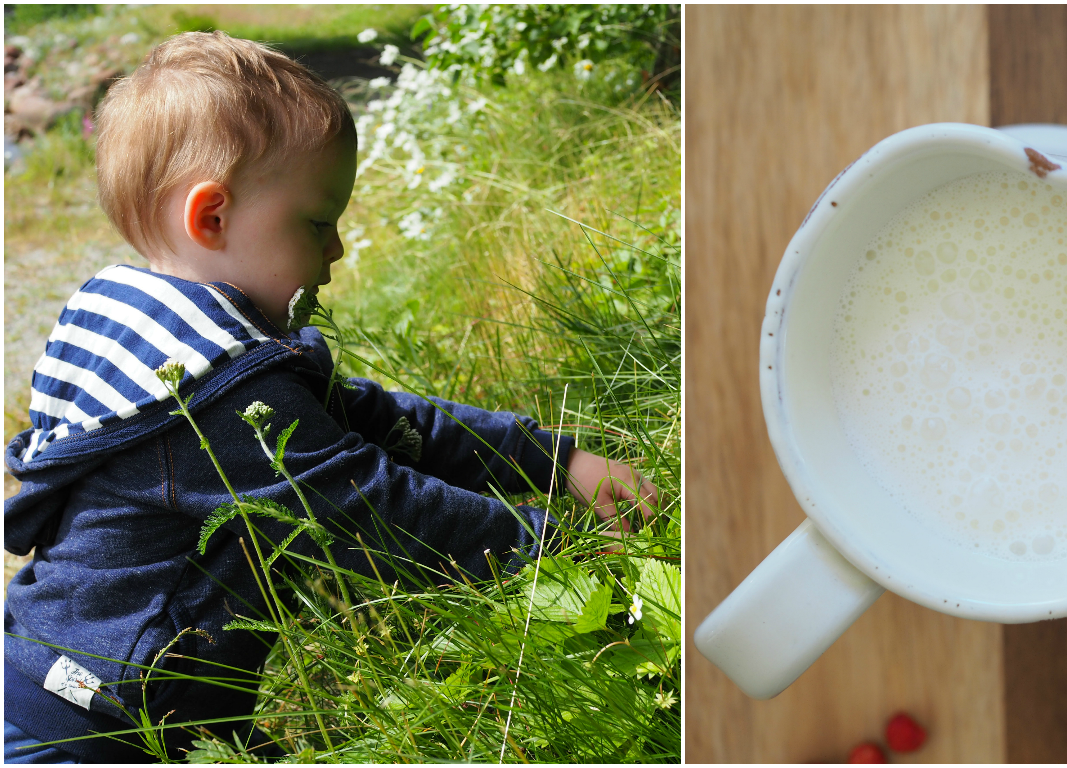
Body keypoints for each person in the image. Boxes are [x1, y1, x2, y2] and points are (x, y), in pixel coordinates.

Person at [2, 30, 660, 764]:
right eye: (319, 222)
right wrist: (556, 551)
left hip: (122, 707)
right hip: (88, 725)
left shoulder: (202, 351)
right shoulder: (208, 394)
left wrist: (554, 457)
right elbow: (372, 512)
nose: (338, 249)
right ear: (211, 217)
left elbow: (386, 422)